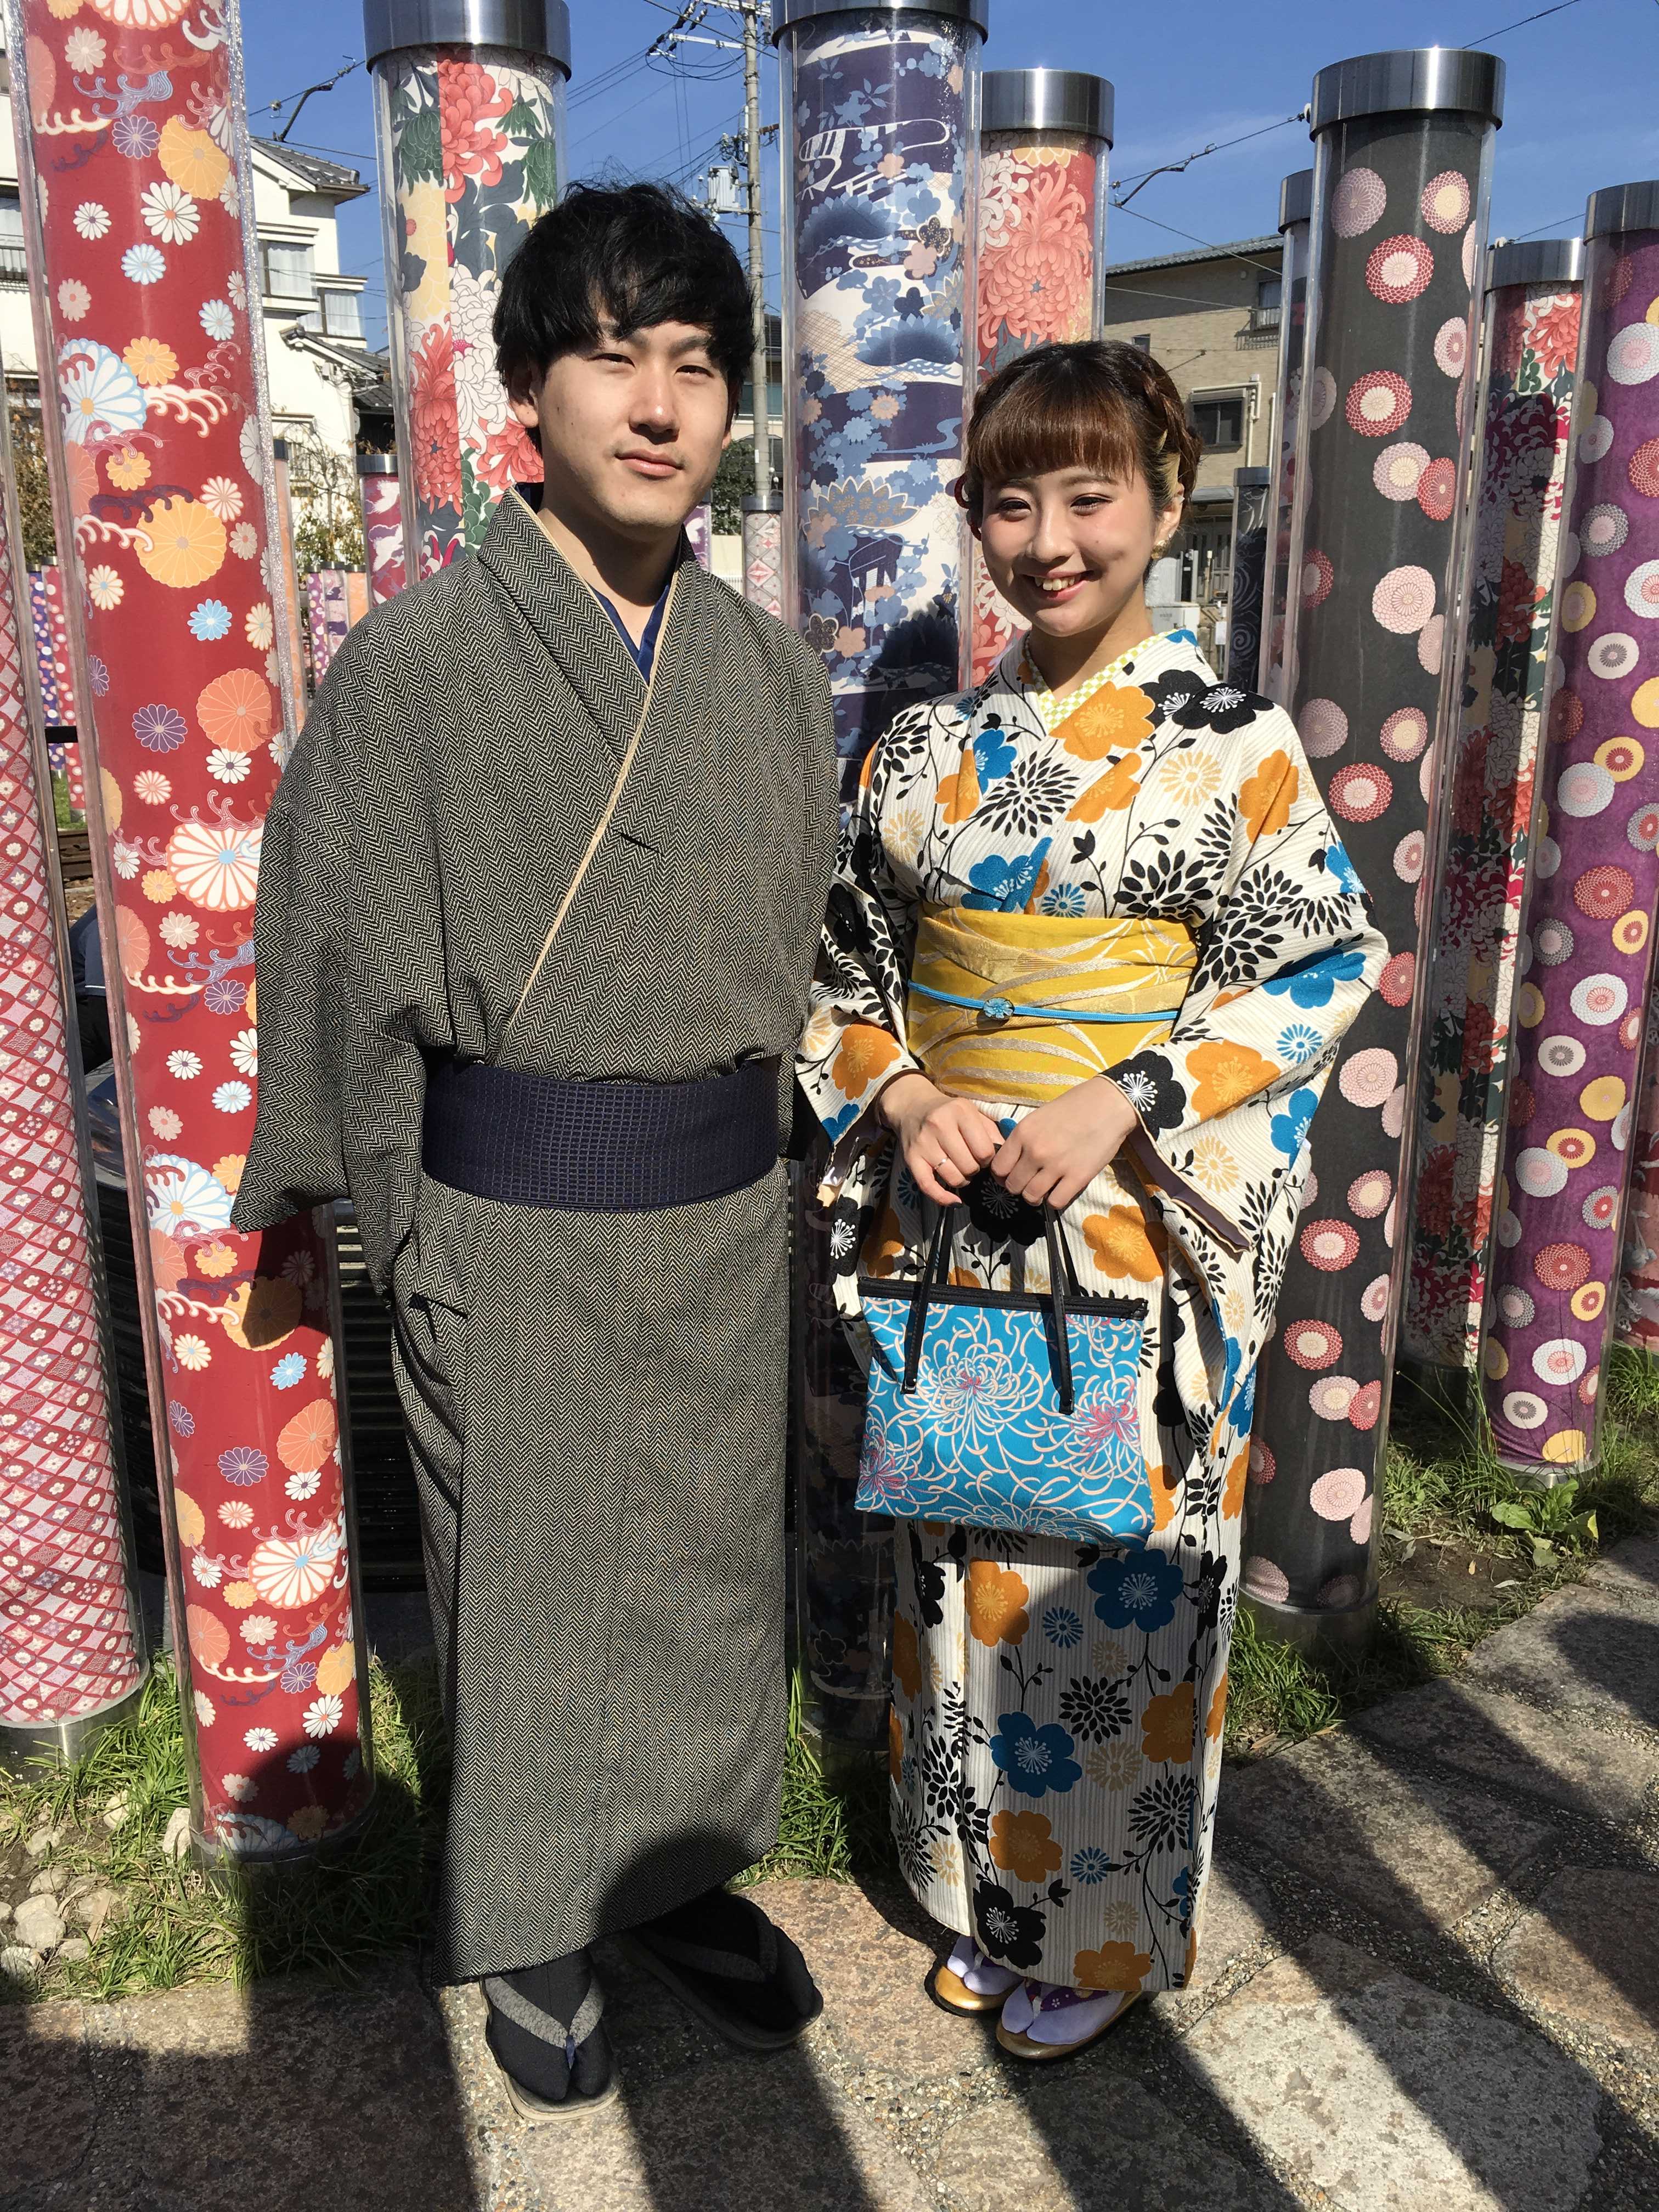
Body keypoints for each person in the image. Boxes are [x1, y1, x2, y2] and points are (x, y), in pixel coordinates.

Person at [234, 183, 838, 2114]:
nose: (658, 405)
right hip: (513, 1214)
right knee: (538, 1583)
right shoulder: (419, 663)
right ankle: (531, 1918)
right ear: (527, 396)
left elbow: (811, 950)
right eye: (613, 357)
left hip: (724, 1206)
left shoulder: (771, 675)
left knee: (707, 1580)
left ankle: (677, 1877)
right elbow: (329, 944)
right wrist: (372, 1213)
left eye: (697, 366)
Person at [798, 339, 1386, 2058]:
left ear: (1166, 501)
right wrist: (906, 1094)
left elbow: (1318, 964)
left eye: (1089, 494)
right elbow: (840, 975)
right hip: (959, 1226)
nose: (1048, 539)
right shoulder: (923, 748)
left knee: (1114, 1579)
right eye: (1009, 503)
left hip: (1133, 1223)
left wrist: (1127, 1097)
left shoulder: (1234, 744)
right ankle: (983, 1894)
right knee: (959, 1549)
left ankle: (1104, 1938)